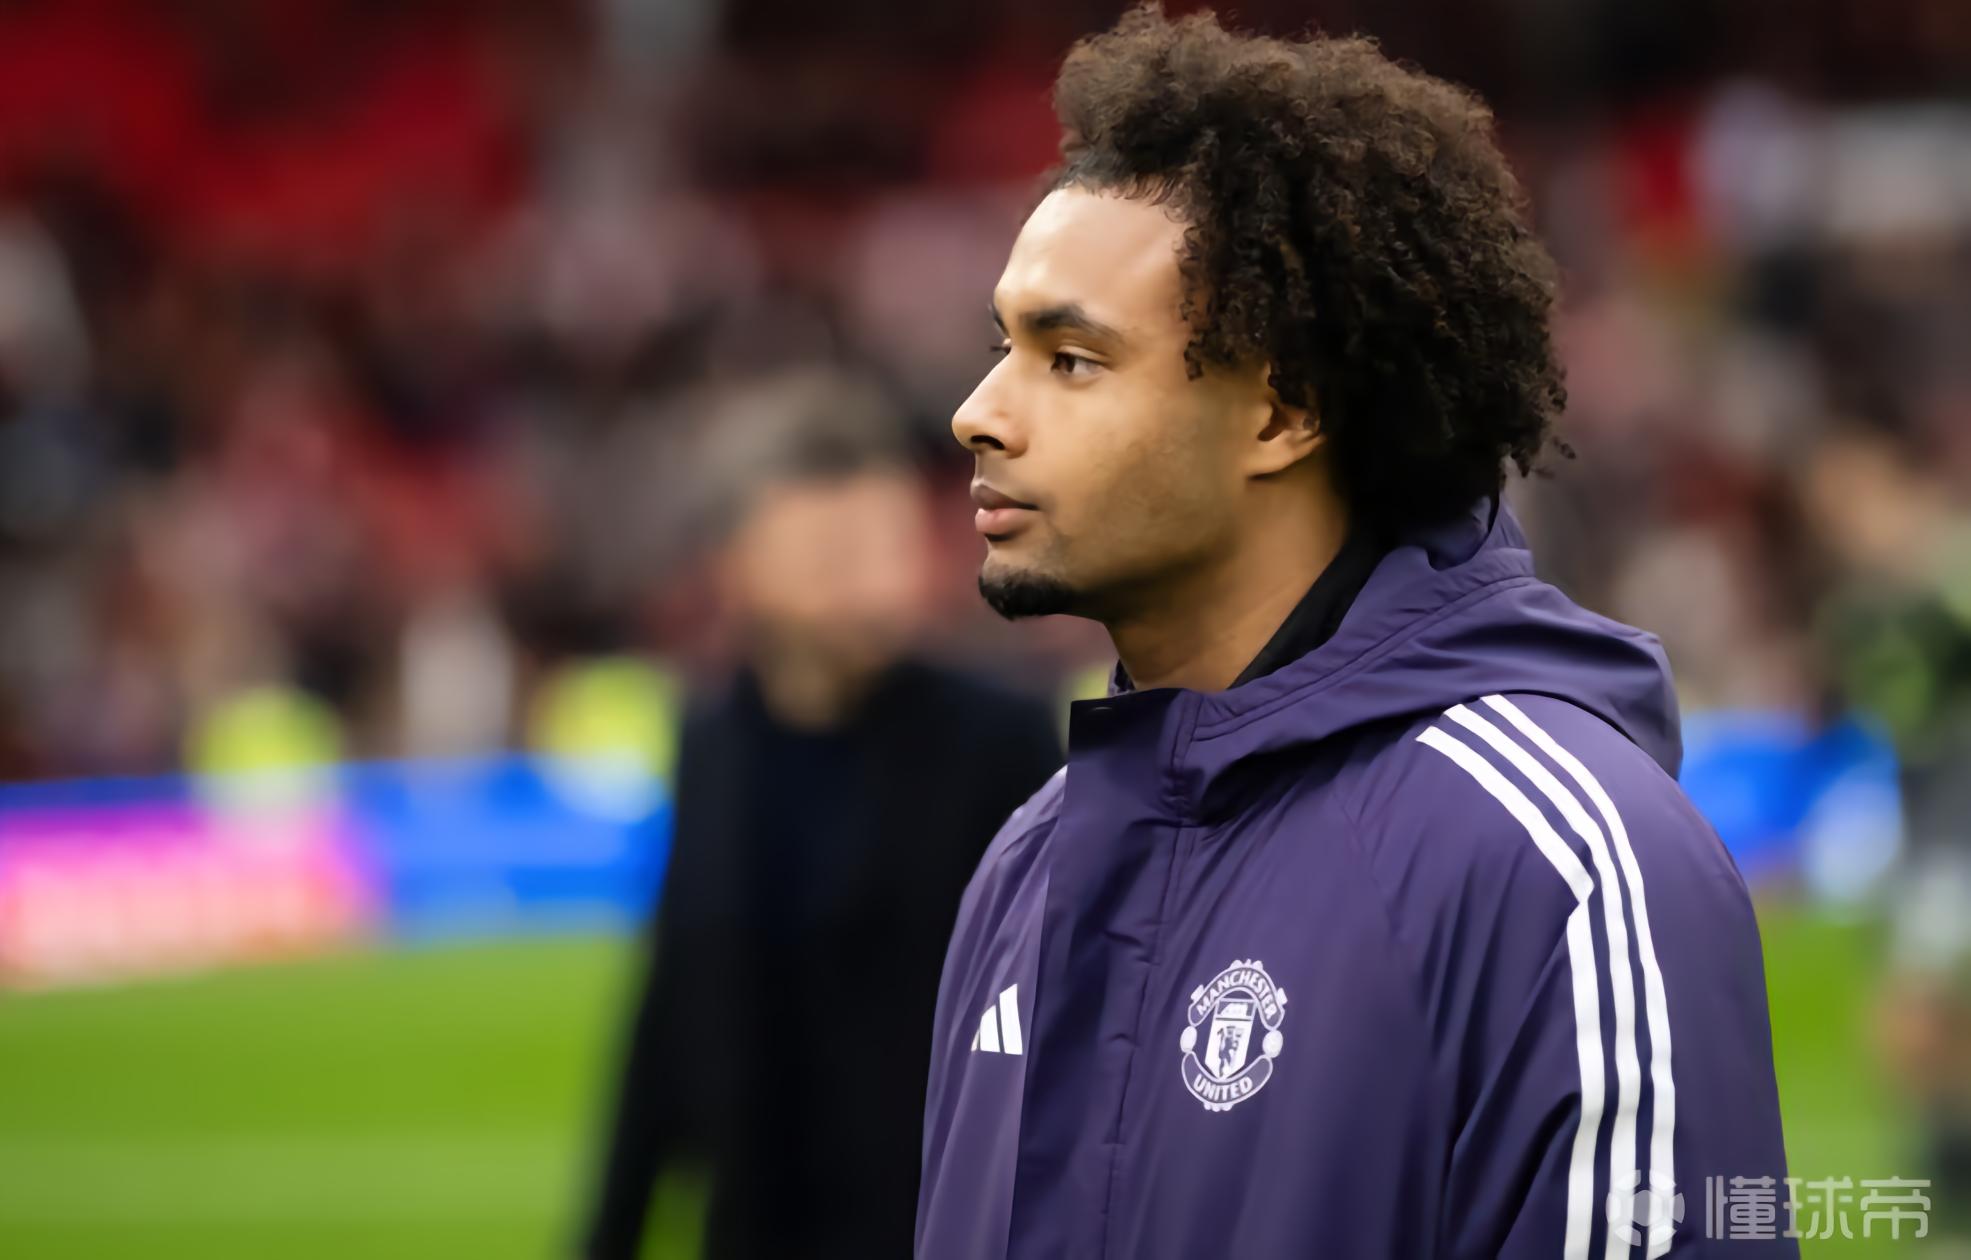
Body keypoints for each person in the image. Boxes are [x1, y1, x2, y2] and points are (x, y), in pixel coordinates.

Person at [918, 9, 1793, 1259]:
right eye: (1001, 345)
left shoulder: (1560, 864)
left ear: (1285, 413)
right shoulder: (1027, 868)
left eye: (1070, 358)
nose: (977, 413)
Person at [582, 371, 1062, 1260]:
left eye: (886, 544)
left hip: (932, 1223)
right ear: (735, 563)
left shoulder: (999, 741)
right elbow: (673, 1001)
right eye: (830, 552)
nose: (870, 580)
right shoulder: (712, 740)